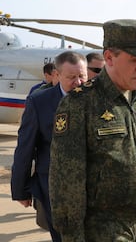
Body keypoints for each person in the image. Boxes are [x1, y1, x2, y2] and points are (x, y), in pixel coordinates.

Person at [49, 19, 136, 242]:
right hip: (104, 226)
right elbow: (66, 179)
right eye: (134, 60)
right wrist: (72, 235)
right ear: (109, 58)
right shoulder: (80, 104)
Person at [11, 51, 88, 242]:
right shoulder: (39, 102)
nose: (78, 82)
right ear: (57, 75)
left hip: (92, 186)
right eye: (71, 77)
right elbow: (25, 148)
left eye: (82, 76)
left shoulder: (98, 100)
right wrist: (20, 189)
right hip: (53, 188)